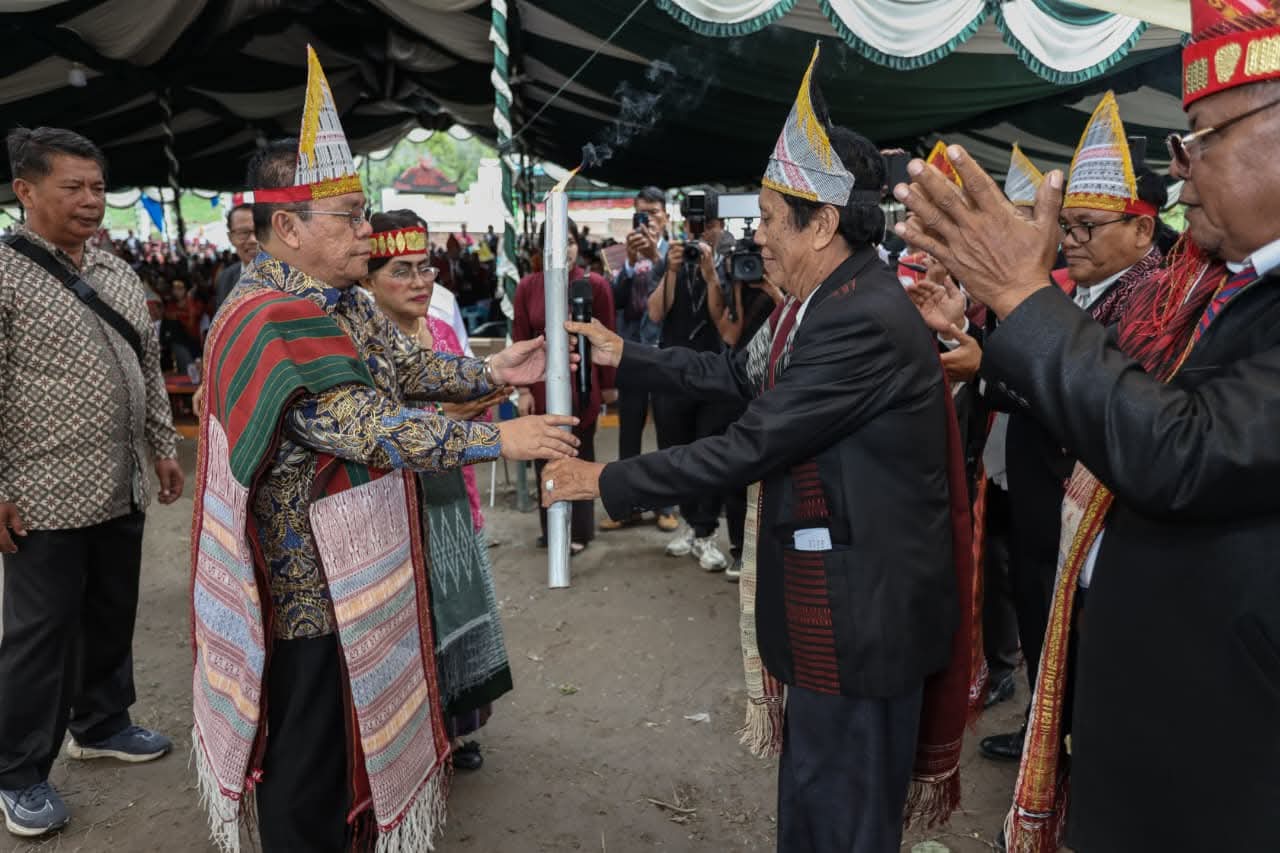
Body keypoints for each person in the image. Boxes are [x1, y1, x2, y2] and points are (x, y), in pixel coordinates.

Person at [544, 45, 978, 852]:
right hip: (835, 607)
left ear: (821, 223)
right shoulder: (817, 303)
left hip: (863, 618)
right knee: (814, 803)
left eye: (773, 222)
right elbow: (731, 372)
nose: (759, 241)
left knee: (844, 818)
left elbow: (748, 443)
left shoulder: (860, 319)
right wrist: (625, 352)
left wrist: (604, 478)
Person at [894, 0, 1280, 847]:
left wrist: (1023, 301)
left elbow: (1180, 447)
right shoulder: (1224, 283)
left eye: (1199, 142)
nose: (1180, 176)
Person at [189, 47, 579, 853]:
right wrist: (497, 435)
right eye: (353, 218)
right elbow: (365, 424)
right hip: (306, 588)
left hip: (356, 567)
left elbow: (407, 368)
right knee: (312, 754)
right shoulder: (265, 315)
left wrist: (492, 367)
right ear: (288, 228)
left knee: (351, 741)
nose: (368, 230)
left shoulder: (339, 302)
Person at [0, 127, 183, 838]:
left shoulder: (114, 272)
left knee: (110, 610)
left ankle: (102, 721)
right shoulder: (7, 274)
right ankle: (18, 771)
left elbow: (148, 361)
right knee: (39, 634)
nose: (90, 201)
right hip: (39, 491)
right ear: (26, 191)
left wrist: (163, 448)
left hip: (120, 481)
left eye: (97, 187)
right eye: (72, 187)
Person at [362, 211, 513, 772]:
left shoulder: (444, 333)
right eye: (401, 270)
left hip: (455, 499)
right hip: (395, 506)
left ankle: (459, 729)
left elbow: (474, 407)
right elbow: (378, 432)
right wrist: (448, 415)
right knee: (410, 624)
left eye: (425, 267)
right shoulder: (365, 348)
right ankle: (411, 737)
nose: (421, 281)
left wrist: (481, 396)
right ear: (368, 280)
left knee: (459, 610)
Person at [645, 189, 739, 572]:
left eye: (710, 226)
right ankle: (688, 523)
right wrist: (669, 269)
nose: (703, 234)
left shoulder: (732, 260)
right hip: (673, 372)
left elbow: (731, 323)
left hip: (715, 372)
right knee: (676, 452)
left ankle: (707, 531)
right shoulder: (673, 258)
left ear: (720, 226)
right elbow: (654, 315)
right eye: (695, 226)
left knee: (711, 451)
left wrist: (713, 274)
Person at [513, 218, 617, 555]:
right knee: (543, 454)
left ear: (577, 245)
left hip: (581, 384)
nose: (565, 249)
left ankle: (580, 531)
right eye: (557, 243)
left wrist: (609, 389)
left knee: (579, 453)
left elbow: (609, 340)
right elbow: (520, 338)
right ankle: (551, 526)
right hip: (540, 386)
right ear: (543, 250)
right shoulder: (528, 287)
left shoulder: (593, 285)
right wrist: (524, 392)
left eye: (570, 241)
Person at [603, 186, 679, 534]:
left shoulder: (676, 253)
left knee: (667, 430)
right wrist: (631, 264)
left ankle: (667, 505)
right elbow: (614, 301)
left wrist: (658, 260)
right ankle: (628, 507)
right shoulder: (619, 255)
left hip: (665, 352)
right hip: (630, 352)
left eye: (654, 213)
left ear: (666, 216)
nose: (647, 220)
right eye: (641, 213)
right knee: (629, 432)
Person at [213, 202, 257, 311]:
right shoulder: (225, 278)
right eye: (243, 233)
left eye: (259, 231)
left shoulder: (290, 275)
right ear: (230, 238)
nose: (253, 240)